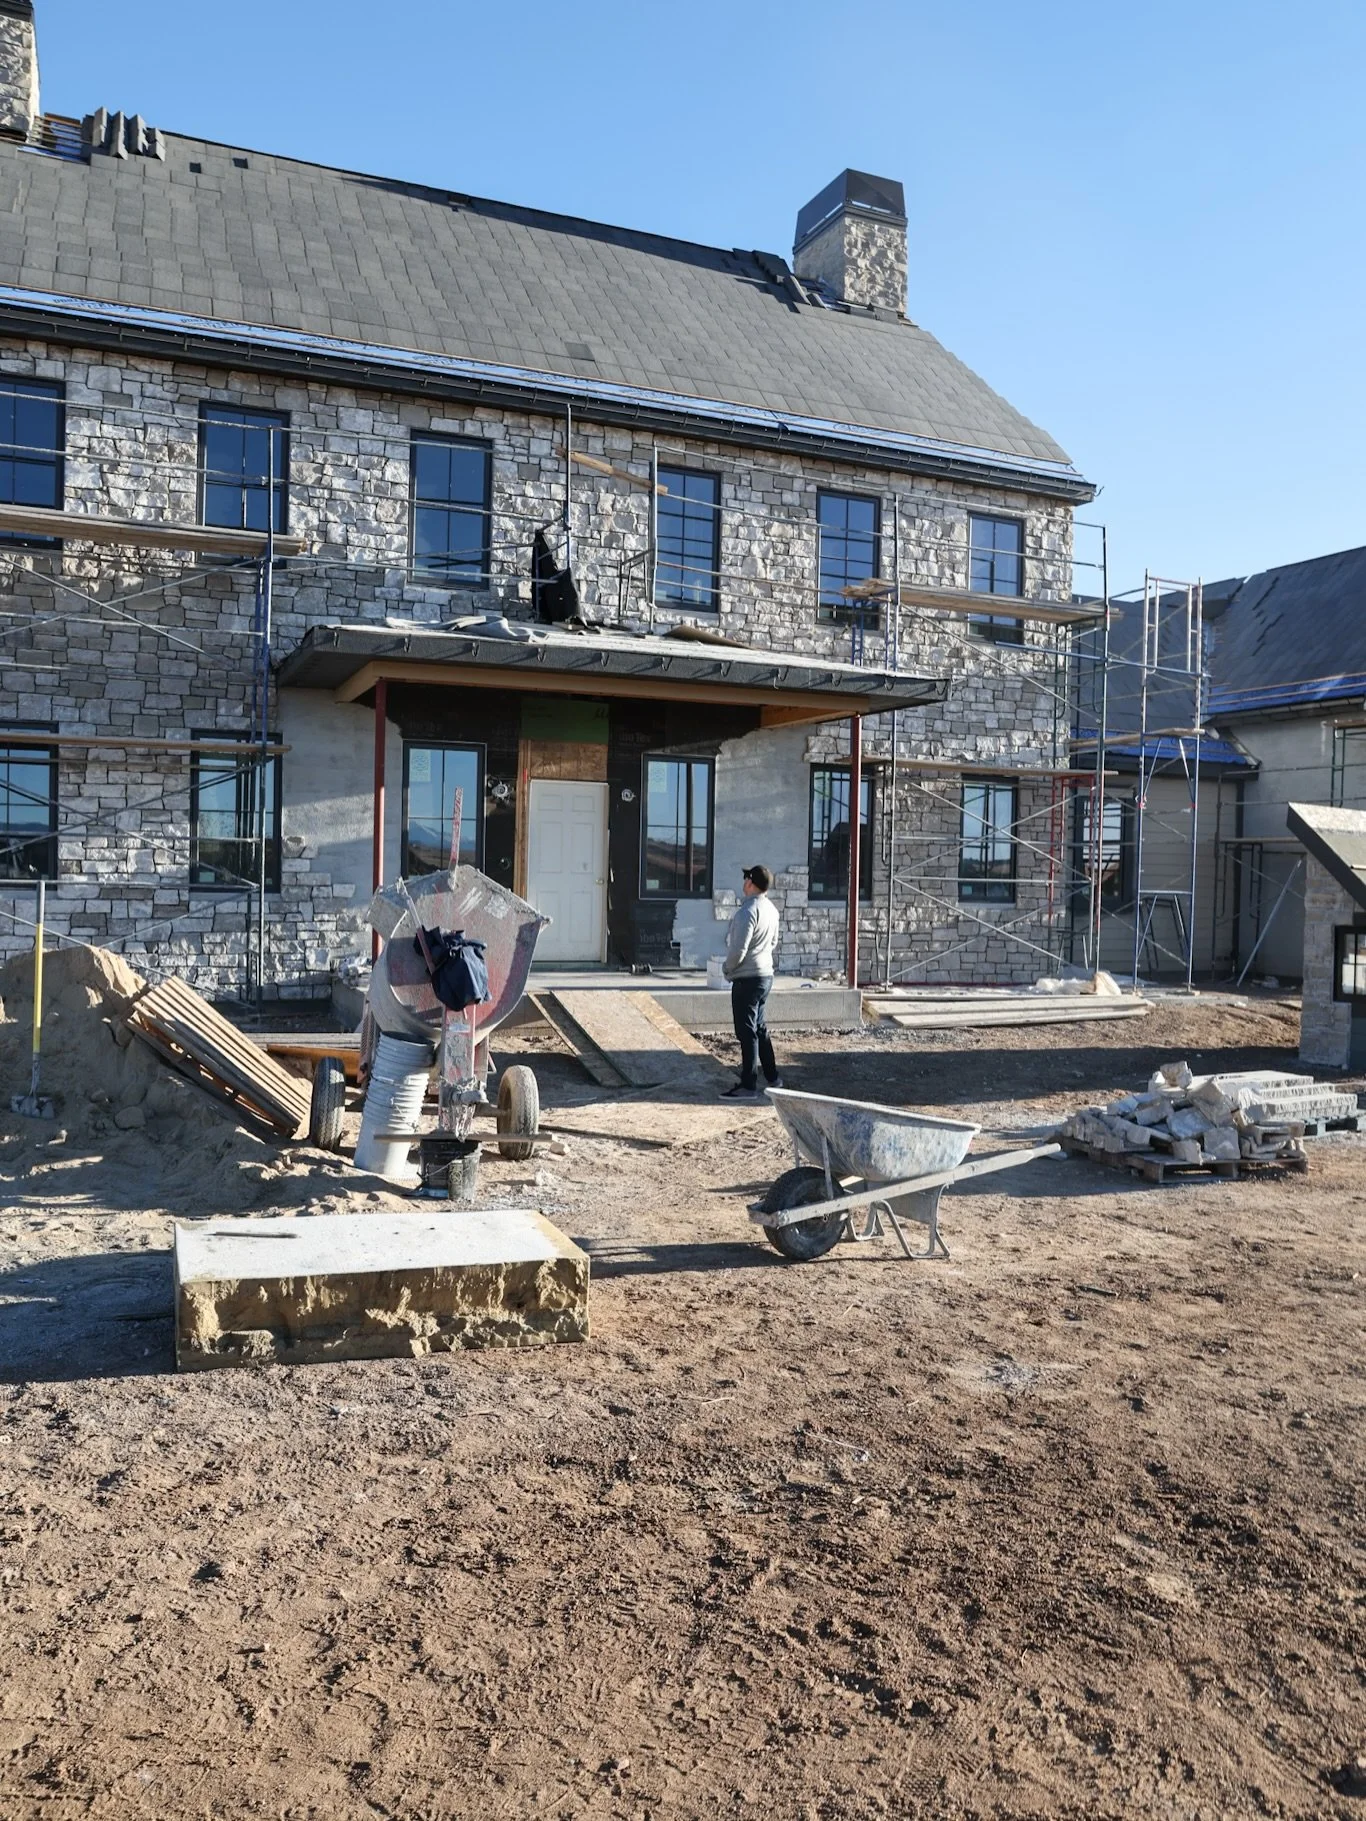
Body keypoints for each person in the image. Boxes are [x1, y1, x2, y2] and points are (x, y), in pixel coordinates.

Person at [720, 863, 782, 1099]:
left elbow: (738, 949)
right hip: (766, 975)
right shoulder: (772, 910)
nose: (743, 882)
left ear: (751, 883)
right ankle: (773, 1077)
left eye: (746, 878)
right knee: (759, 1027)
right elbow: (773, 942)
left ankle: (748, 1085)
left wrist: (728, 969)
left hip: (747, 978)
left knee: (747, 1032)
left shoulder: (748, 912)